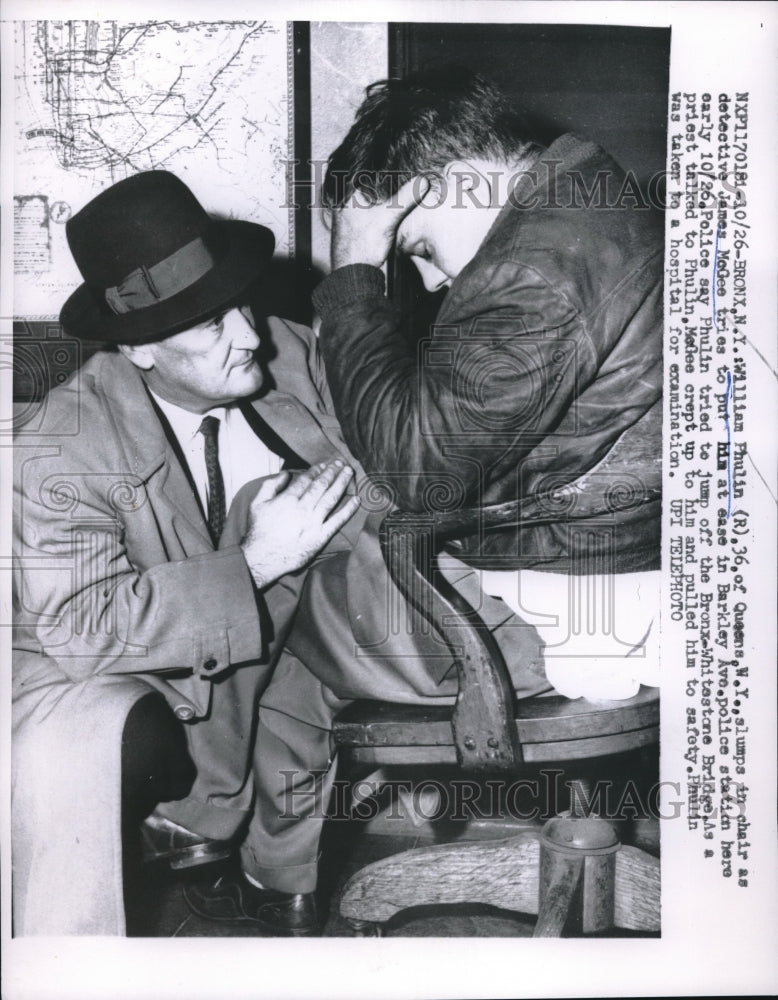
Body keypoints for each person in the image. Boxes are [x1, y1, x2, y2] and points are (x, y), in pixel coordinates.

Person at [185, 68, 662, 928]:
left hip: (575, 603)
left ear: (438, 184)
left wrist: (357, 266)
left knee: (275, 581)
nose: (434, 281)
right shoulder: (585, 193)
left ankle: (253, 861)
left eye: (419, 247)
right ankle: (265, 861)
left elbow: (415, 468)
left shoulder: (539, 269)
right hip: (600, 549)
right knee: (303, 589)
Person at [11, 170, 362, 935]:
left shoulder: (291, 357)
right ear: (138, 350)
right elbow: (82, 627)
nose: (250, 334)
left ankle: (281, 872)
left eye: (242, 302)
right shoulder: (56, 447)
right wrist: (257, 564)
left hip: (297, 658)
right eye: (209, 324)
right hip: (132, 680)